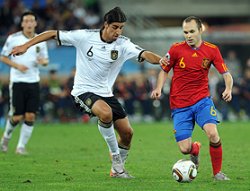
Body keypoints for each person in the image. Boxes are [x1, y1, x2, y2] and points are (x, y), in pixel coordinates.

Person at [10, 7, 166, 178]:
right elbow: (52, 34)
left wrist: (162, 61)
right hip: (83, 91)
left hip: (106, 93)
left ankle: (116, 171)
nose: (118, 31)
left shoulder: (123, 44)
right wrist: (26, 45)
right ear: (105, 24)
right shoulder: (84, 37)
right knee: (105, 114)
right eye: (115, 27)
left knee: (127, 133)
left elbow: (145, 54)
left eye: (121, 27)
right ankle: (115, 159)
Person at [151, 16, 233, 181]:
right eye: (185, 32)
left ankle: (217, 173)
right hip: (180, 105)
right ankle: (195, 149)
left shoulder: (212, 50)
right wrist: (159, 87)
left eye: (192, 31)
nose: (188, 35)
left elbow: (226, 73)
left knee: (212, 134)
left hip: (202, 100)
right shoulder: (175, 49)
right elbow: (164, 70)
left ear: (200, 30)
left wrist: (229, 88)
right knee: (184, 148)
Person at [0, 11, 49, 155]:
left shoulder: (41, 40)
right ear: (22, 24)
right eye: (26, 21)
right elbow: (3, 57)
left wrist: (43, 62)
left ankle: (20, 147)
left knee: (30, 116)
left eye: (31, 21)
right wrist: (17, 66)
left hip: (34, 81)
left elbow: (45, 61)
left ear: (35, 23)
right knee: (16, 117)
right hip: (17, 81)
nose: (29, 23)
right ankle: (5, 138)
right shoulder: (13, 39)